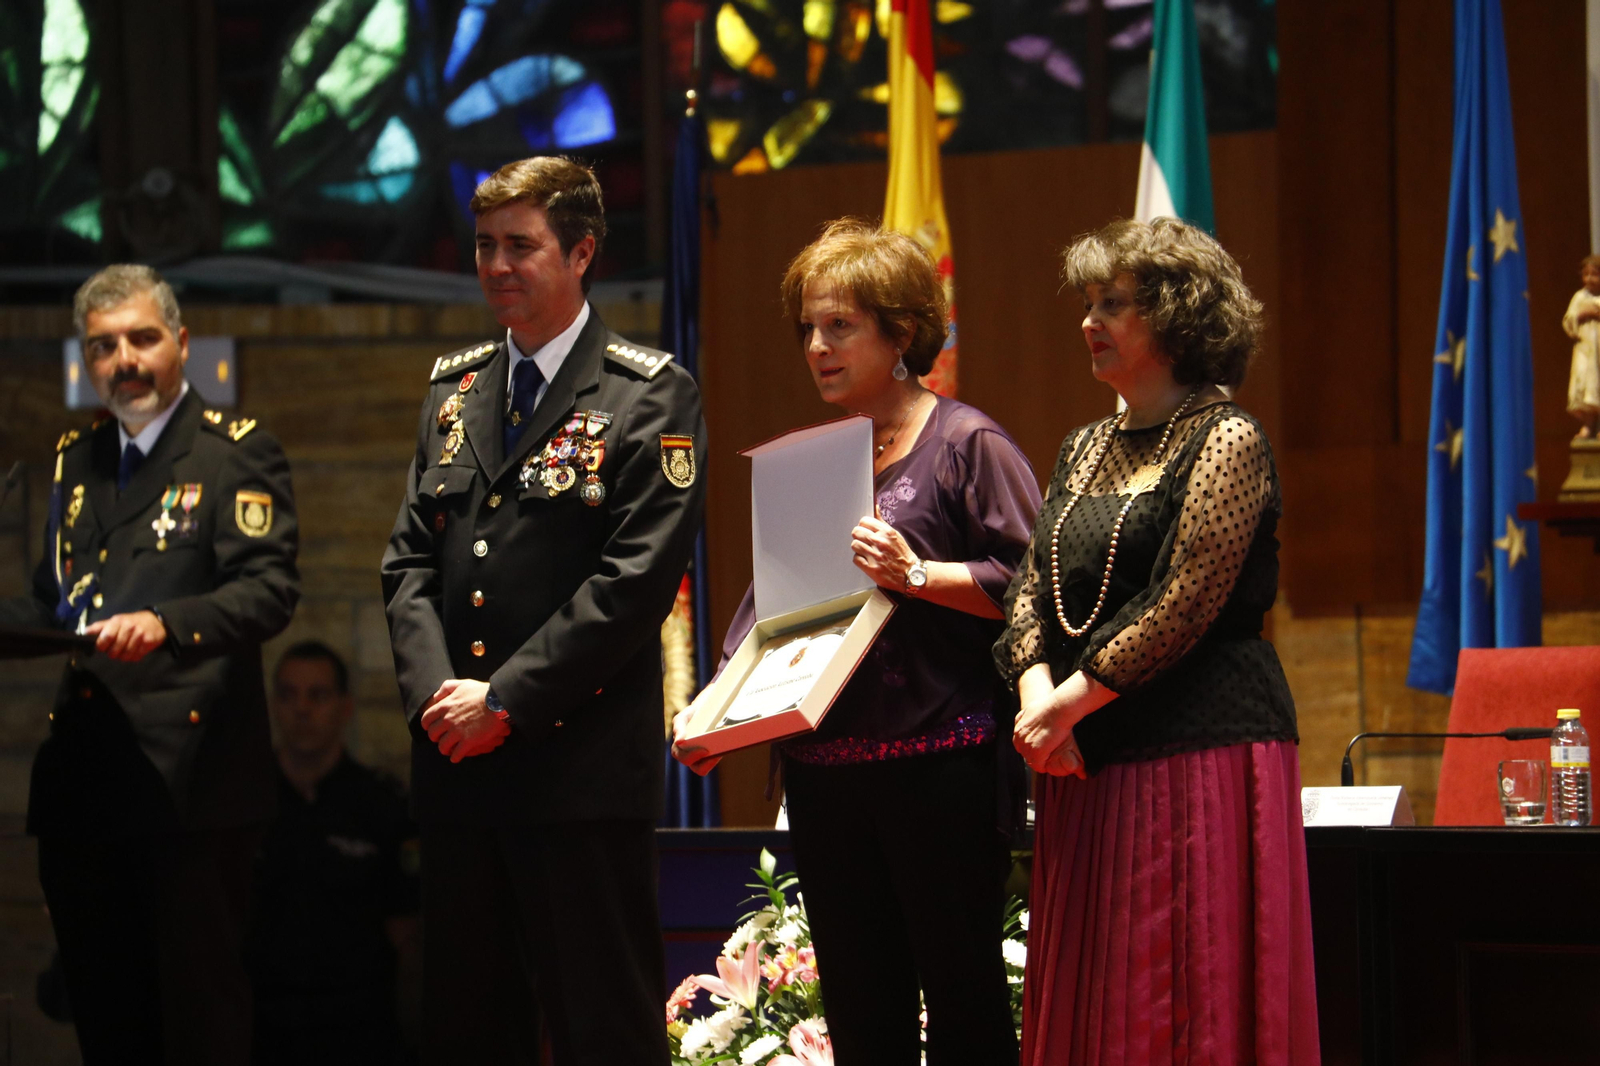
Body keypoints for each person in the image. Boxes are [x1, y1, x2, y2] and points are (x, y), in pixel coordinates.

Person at [673, 219, 1041, 1066]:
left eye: (840, 325)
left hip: (938, 765)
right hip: (826, 774)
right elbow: (770, 616)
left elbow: (1034, 591)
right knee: (860, 1013)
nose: (816, 346)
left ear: (900, 332)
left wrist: (921, 576)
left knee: (963, 1006)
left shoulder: (966, 442)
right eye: (808, 327)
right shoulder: (811, 459)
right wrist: (711, 709)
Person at [380, 155, 707, 1065]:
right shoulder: (456, 388)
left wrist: (506, 701)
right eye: (485, 245)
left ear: (582, 252)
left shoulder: (648, 392)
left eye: (522, 245)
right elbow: (407, 559)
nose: (497, 265)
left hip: (578, 773)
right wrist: (438, 695)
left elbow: (634, 584)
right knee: (467, 1028)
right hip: (460, 772)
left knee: (604, 1026)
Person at [994, 218, 1320, 1065]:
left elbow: (1184, 604)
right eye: (1087, 302)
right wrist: (1038, 702)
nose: (1088, 320)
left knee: (1184, 999)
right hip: (1083, 751)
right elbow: (1031, 584)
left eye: (1114, 304)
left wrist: (1061, 708)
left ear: (1178, 320)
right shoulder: (1085, 444)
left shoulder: (1228, 439)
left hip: (1198, 748)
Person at [0, 264, 300, 1065]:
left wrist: (165, 623)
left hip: (190, 788)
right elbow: (53, 604)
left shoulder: (234, 452)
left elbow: (269, 593)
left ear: (182, 344)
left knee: (197, 1021)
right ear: (84, 359)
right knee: (107, 1017)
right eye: (103, 346)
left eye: (141, 339)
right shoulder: (76, 462)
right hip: (87, 786)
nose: (123, 360)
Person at [249, 641, 419, 1065]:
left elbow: (408, 937)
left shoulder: (381, 807)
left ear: (345, 707)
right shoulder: (245, 808)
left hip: (359, 1035)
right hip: (259, 1033)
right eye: (288, 695)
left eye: (317, 695)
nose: (302, 709)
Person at [1562, 255, 1600, 439]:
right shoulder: (1580, 297)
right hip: (1585, 351)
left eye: (1595, 274)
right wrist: (1581, 314)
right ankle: (1588, 424)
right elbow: (1568, 320)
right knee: (1586, 385)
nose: (1590, 279)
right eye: (1586, 275)